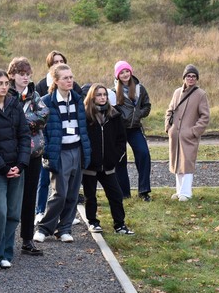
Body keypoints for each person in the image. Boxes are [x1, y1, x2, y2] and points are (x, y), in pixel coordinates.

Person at [34, 64, 91, 243]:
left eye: (71, 77)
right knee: (60, 193)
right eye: (65, 78)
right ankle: (44, 228)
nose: (70, 80)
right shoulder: (47, 101)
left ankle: (64, 228)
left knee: (73, 194)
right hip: (60, 152)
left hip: (77, 149)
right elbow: (43, 129)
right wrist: (49, 152)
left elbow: (82, 126)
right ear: (56, 80)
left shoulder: (77, 99)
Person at [0, 69, 31, 271]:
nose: (4, 87)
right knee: (0, 212)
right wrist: (3, 167)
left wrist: (20, 164)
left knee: (13, 213)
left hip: (16, 168)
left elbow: (24, 135)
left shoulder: (15, 105)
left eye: (5, 83)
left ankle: (5, 253)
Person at [7, 57, 49, 256]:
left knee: (30, 196)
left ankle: (27, 239)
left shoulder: (34, 94)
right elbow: (6, 118)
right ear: (12, 75)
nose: (25, 78)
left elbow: (44, 114)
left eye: (27, 74)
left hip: (33, 152)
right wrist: (27, 122)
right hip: (11, 153)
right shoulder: (6, 94)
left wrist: (23, 122)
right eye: (21, 74)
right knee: (8, 197)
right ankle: (3, 238)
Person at [82, 84, 134, 235]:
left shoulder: (114, 115)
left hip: (108, 166)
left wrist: (115, 157)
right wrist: (86, 158)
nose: (102, 97)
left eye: (104, 94)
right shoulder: (85, 116)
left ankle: (120, 225)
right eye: (99, 95)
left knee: (116, 195)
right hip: (90, 166)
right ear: (92, 97)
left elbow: (121, 140)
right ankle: (93, 222)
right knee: (90, 196)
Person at [164, 64, 210, 201]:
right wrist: (169, 127)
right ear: (184, 77)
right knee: (177, 163)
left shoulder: (201, 94)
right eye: (188, 76)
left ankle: (186, 192)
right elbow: (170, 110)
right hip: (175, 135)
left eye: (194, 76)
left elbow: (205, 116)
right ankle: (179, 191)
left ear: (197, 79)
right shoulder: (177, 92)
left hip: (189, 136)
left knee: (187, 163)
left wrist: (194, 131)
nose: (191, 78)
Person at [112, 60, 152, 201]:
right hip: (119, 131)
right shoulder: (112, 92)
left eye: (126, 71)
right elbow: (111, 110)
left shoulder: (140, 88)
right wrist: (121, 118)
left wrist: (138, 114)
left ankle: (144, 191)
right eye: (121, 72)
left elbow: (147, 106)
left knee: (144, 155)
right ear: (117, 75)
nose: (125, 74)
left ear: (131, 72)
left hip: (135, 129)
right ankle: (124, 193)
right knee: (120, 160)